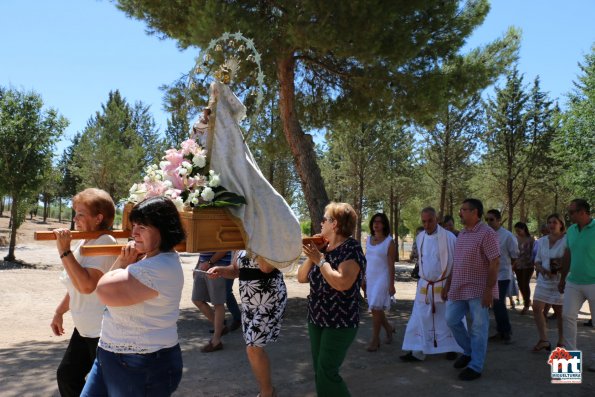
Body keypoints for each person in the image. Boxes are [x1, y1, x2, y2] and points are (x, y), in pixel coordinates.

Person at [81, 196, 186, 396]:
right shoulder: (150, 259)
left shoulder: (157, 268)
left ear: (163, 229)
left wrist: (122, 261)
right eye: (134, 225)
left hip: (141, 363)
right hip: (111, 355)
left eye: (143, 227)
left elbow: (103, 291)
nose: (134, 233)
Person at [51, 188, 117, 397]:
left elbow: (87, 285)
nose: (74, 218)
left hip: (102, 330)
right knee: (67, 376)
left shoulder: (105, 242)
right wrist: (59, 312)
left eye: (81, 213)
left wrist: (64, 251)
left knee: (105, 387)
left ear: (99, 218)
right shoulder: (84, 241)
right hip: (83, 328)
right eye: (75, 212)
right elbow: (75, 287)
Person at [298, 202, 366, 396]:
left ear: (334, 224)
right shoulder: (324, 249)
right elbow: (301, 278)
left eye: (324, 219)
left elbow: (342, 283)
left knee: (327, 371)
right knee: (320, 372)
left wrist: (320, 260)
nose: (320, 223)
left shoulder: (351, 248)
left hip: (340, 322)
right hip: (317, 318)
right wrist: (313, 256)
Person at [207, 251, 287, 397]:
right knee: (253, 347)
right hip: (249, 299)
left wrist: (255, 241)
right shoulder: (240, 240)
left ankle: (267, 392)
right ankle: (268, 391)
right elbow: (236, 270)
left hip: (269, 295)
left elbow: (266, 268)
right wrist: (221, 270)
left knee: (253, 347)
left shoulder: (265, 237)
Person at [443, 198, 500, 381]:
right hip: (459, 286)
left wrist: (489, 290)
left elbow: (495, 261)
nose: (460, 213)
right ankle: (468, 352)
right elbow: (457, 262)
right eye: (461, 209)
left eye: (464, 210)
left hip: (479, 289)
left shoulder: (487, 233)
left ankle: (476, 366)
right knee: (451, 319)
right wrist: (448, 284)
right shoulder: (463, 234)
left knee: (479, 328)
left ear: (475, 212)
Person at [401, 207, 461, 362]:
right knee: (419, 317)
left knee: (448, 318)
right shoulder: (420, 237)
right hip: (425, 285)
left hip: (444, 284)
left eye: (430, 221)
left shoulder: (449, 238)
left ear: (437, 219)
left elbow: (455, 263)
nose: (427, 225)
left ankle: (451, 348)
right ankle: (417, 350)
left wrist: (449, 285)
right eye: (424, 221)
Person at [559, 199, 595, 372]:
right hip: (574, 282)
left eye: (572, 212)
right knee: (567, 316)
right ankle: (570, 362)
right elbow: (568, 254)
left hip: (594, 282)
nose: (569, 215)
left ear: (583, 212)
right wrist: (562, 278)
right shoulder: (571, 230)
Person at [531, 213, 567, 351]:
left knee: (560, 312)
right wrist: (541, 269)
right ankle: (543, 339)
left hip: (560, 281)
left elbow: (570, 259)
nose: (551, 225)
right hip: (544, 280)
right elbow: (537, 260)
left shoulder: (567, 240)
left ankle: (561, 342)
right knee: (536, 307)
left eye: (554, 222)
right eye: (549, 222)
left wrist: (559, 269)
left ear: (561, 224)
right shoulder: (541, 241)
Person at [363, 213, 396, 351]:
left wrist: (391, 284)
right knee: (376, 309)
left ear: (385, 225)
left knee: (376, 308)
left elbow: (391, 265)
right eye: (375, 221)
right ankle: (389, 328)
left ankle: (375, 340)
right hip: (370, 278)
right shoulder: (368, 239)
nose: (377, 224)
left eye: (380, 222)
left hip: (382, 278)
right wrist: (362, 278)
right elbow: (366, 260)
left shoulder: (389, 242)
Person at [485, 210, 518, 343]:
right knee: (492, 304)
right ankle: (501, 330)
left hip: (503, 275)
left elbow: (515, 256)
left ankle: (505, 331)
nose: (488, 222)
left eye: (491, 219)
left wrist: (508, 268)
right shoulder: (486, 235)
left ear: (499, 220)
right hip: (488, 274)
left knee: (498, 303)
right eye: (487, 220)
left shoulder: (507, 236)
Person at [192, 251, 234, 352]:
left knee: (218, 303)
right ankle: (221, 327)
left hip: (218, 265)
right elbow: (202, 247)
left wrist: (209, 262)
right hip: (203, 264)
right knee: (197, 299)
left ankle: (216, 341)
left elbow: (225, 247)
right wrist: (199, 263)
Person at [513, 221, 535, 314]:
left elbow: (534, 252)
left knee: (525, 283)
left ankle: (526, 304)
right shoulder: (514, 239)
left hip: (528, 265)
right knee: (520, 284)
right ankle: (527, 300)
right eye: (516, 231)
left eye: (519, 230)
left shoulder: (531, 239)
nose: (518, 232)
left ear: (524, 229)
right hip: (517, 264)